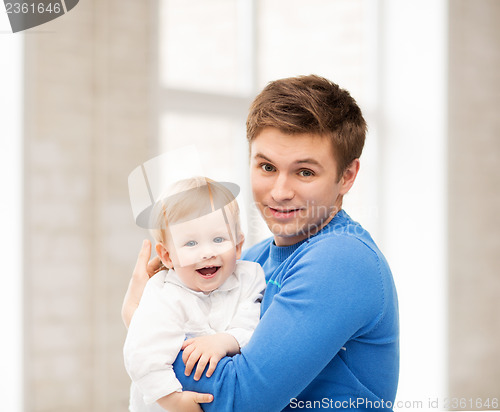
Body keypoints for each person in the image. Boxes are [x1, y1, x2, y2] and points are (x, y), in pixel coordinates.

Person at [123, 74, 399, 411]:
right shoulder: (250, 261)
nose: (280, 192)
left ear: (347, 176)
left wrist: (143, 323)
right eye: (267, 166)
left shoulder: (341, 259)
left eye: (305, 172)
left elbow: (241, 398)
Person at [123, 177, 266, 412]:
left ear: (238, 245)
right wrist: (173, 400)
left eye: (219, 239)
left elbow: (256, 328)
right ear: (168, 256)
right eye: (191, 243)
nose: (207, 252)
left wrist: (225, 341)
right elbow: (142, 355)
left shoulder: (249, 278)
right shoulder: (164, 295)